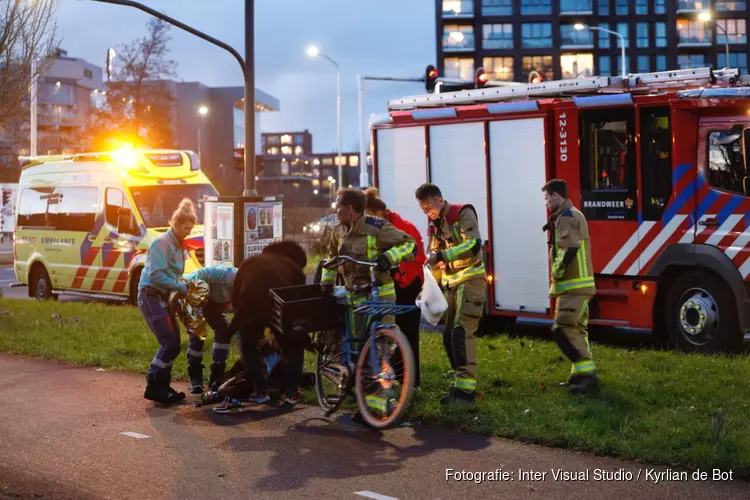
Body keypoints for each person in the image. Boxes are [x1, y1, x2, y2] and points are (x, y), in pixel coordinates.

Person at [415, 183, 486, 404]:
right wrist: (428, 288)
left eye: (428, 207)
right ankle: (460, 382)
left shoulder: (462, 213)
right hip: (452, 284)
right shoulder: (435, 224)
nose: (428, 213)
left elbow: (473, 245)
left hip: (470, 280)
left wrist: (442, 256)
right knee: (449, 337)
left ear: (438, 199)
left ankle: (466, 391)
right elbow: (434, 258)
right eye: (423, 210)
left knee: (461, 333)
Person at [223, 241, 309, 408]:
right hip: (281, 305)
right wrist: (284, 334)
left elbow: (236, 292)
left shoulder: (250, 262)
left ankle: (261, 392)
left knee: (249, 346)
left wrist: (243, 322)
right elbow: (299, 298)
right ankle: (292, 393)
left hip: (249, 304)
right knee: (294, 346)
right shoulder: (293, 266)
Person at [364, 187, 426, 388]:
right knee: (387, 333)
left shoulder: (402, 228)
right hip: (387, 286)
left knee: (407, 333)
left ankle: (411, 381)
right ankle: (391, 377)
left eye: (371, 215)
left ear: (380, 212)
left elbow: (415, 257)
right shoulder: (376, 228)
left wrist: (398, 277)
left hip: (406, 285)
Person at [541, 179, 599, 394]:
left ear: (556, 196)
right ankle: (579, 376)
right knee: (577, 331)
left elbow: (569, 249)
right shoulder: (576, 214)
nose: (546, 203)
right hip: (582, 285)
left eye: (547, 198)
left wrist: (556, 272)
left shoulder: (565, 218)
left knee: (562, 329)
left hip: (572, 286)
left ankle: (587, 374)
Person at [138, 198, 196, 405]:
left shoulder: (179, 245)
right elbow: (155, 275)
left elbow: (174, 273)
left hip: (163, 296)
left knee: (174, 343)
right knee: (169, 341)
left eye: (191, 228)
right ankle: (154, 384)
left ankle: (162, 385)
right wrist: (177, 286)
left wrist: (183, 284)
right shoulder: (162, 243)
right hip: (150, 294)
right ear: (176, 224)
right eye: (186, 228)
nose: (189, 231)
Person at [182, 264, 237, 393]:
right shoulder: (230, 275)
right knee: (198, 331)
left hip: (214, 301)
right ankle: (195, 375)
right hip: (194, 290)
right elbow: (202, 273)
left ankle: (217, 373)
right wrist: (198, 302)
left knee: (224, 329)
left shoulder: (247, 292)